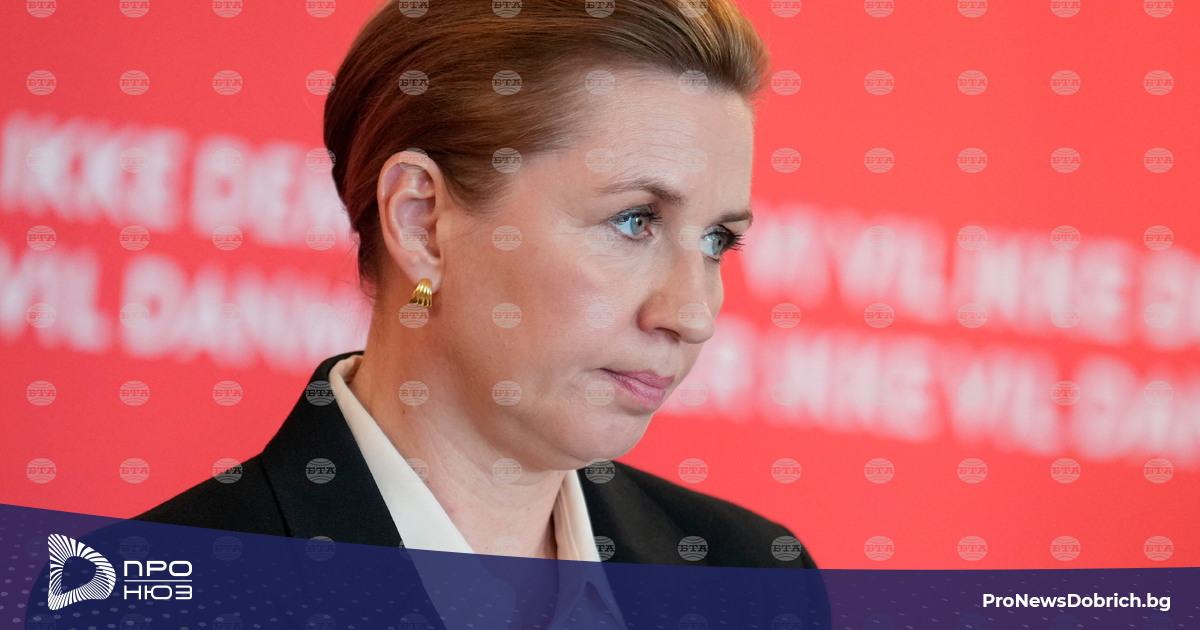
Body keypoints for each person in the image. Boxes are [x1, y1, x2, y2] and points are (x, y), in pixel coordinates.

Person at [133, 0, 823, 625]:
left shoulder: (755, 583)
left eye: (717, 240)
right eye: (634, 220)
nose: (693, 314)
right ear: (422, 223)